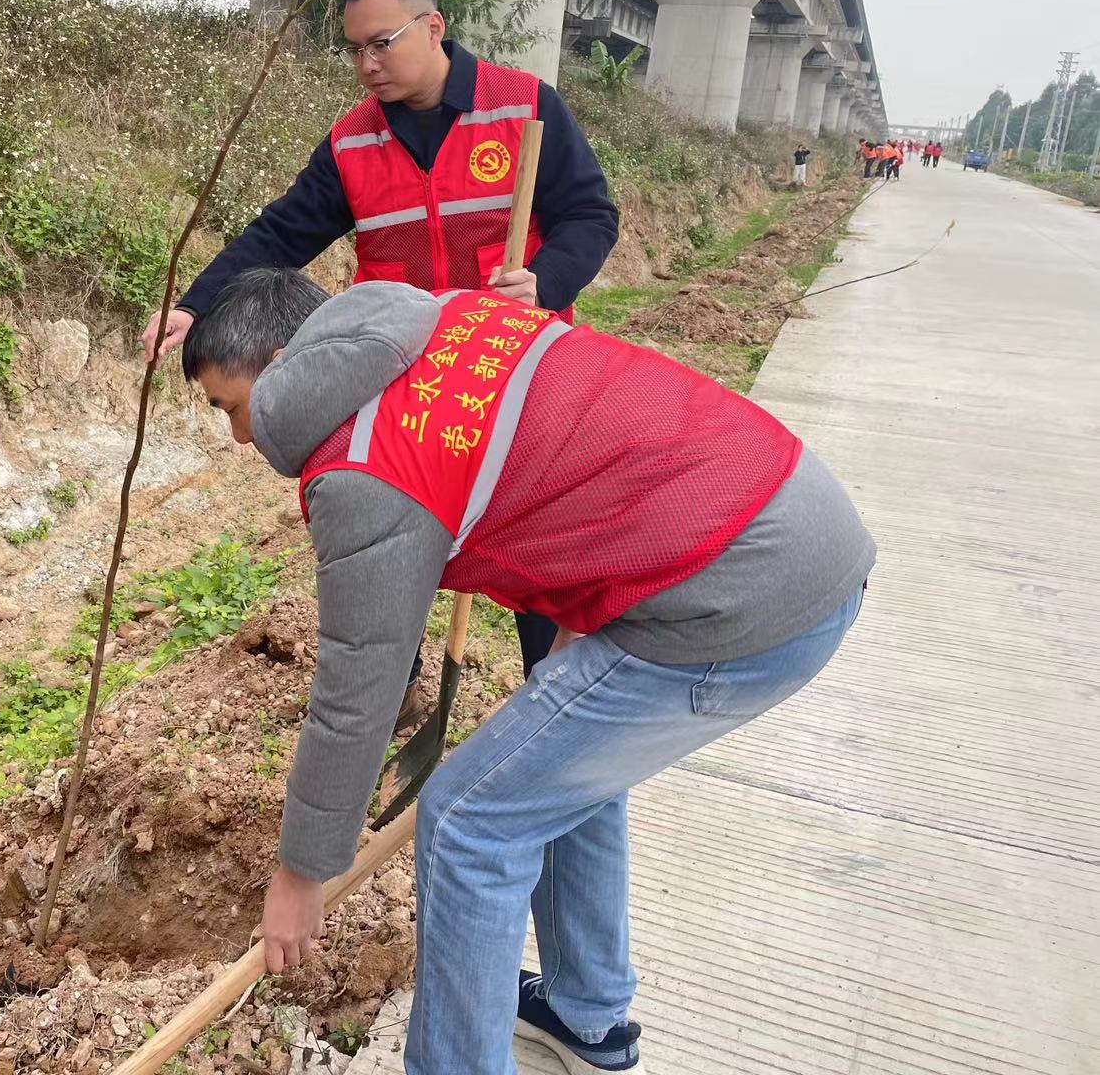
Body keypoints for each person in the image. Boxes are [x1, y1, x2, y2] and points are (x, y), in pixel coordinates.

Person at [182, 268, 875, 1075]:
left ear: (277, 360)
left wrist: (301, 873)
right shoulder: (446, 319)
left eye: (230, 407)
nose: (238, 437)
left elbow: (355, 690)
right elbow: (568, 459)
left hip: (743, 595)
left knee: (472, 820)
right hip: (788, 517)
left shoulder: (363, 468)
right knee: (558, 767)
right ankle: (586, 1016)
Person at [140, 0, 620, 705]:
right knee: (383, 536)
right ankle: (390, 690)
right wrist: (196, 302)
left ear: (432, 28)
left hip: (518, 368)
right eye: (353, 48)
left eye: (380, 43)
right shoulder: (351, 142)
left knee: (533, 537)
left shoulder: (523, 107)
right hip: (407, 378)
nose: (365, 63)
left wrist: (545, 281)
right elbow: (281, 232)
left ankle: (550, 696)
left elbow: (592, 217)